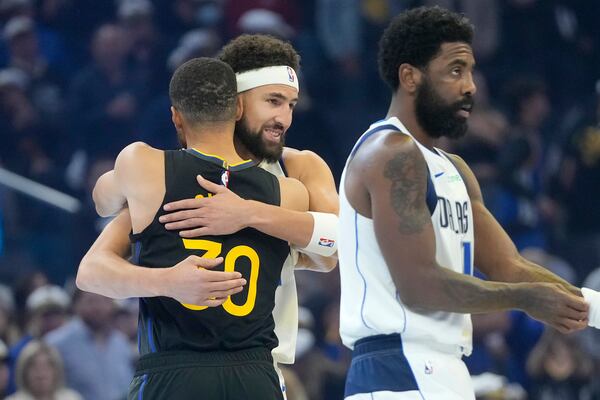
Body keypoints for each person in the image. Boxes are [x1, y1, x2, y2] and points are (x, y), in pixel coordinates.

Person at [337, 6, 591, 400]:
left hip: (447, 365)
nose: (471, 85)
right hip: (396, 367)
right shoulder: (390, 152)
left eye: (471, 70)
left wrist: (592, 307)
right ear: (410, 76)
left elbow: (509, 266)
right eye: (455, 70)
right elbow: (419, 285)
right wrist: (524, 299)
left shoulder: (452, 167)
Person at [77, 34, 339, 396]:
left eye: (292, 105)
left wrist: (247, 214)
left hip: (259, 358)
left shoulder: (297, 166)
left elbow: (336, 247)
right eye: (274, 101)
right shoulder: (288, 193)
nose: (284, 118)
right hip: (241, 367)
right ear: (237, 104)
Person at [6, 340, 82, 400]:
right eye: (34, 367)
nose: (41, 374)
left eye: (46, 367)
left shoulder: (73, 398)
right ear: (24, 372)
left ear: (56, 371)